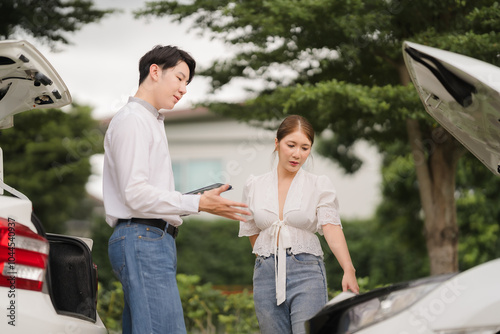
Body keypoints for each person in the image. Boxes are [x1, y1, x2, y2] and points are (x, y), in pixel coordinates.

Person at [103, 45, 250, 334]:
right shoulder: (134, 120)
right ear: (155, 71)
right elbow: (134, 194)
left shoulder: (149, 121)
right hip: (142, 236)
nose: (184, 89)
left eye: (187, 83)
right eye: (180, 78)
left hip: (148, 237)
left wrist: (195, 201)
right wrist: (198, 203)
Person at [239, 115, 359, 334]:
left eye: (305, 148)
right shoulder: (254, 185)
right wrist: (267, 260)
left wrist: (348, 269)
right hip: (265, 275)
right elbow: (252, 232)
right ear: (277, 143)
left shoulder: (318, 185)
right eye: (291, 145)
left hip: (307, 273)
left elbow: (331, 227)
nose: (297, 154)